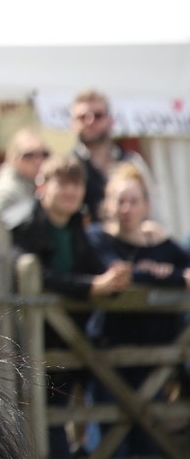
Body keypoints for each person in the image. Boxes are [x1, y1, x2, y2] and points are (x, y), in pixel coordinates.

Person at [11, 154, 132, 459]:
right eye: (63, 183)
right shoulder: (23, 228)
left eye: (76, 184)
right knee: (42, 427)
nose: (70, 192)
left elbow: (96, 268)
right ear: (42, 187)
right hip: (29, 346)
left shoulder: (81, 229)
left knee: (105, 408)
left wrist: (114, 275)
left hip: (75, 344)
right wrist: (91, 286)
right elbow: (36, 276)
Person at [86, 163, 190, 457]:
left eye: (134, 201)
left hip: (155, 354)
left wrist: (163, 271)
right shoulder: (98, 236)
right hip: (110, 352)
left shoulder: (159, 241)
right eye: (120, 200)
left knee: (148, 441)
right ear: (108, 204)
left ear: (146, 205)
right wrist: (168, 275)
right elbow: (118, 273)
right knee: (110, 442)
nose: (126, 208)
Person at [70, 90, 154, 223]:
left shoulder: (132, 162)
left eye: (98, 116)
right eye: (82, 117)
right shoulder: (69, 166)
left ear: (110, 120)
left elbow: (152, 208)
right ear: (73, 123)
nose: (90, 121)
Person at [0, 128, 50, 230]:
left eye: (45, 154)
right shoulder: (4, 191)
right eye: (28, 155)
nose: (38, 160)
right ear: (12, 157)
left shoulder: (36, 185)